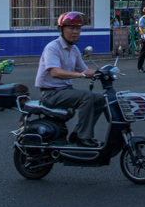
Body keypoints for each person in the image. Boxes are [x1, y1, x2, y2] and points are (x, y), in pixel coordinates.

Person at [35, 12, 106, 147]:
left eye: (78, 29)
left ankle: (77, 133)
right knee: (87, 96)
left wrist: (102, 72)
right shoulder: (53, 48)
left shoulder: (73, 49)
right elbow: (55, 72)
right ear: (61, 29)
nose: (75, 32)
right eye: (71, 28)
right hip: (51, 93)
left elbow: (83, 69)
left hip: (65, 91)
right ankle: (82, 137)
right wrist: (81, 75)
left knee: (100, 99)